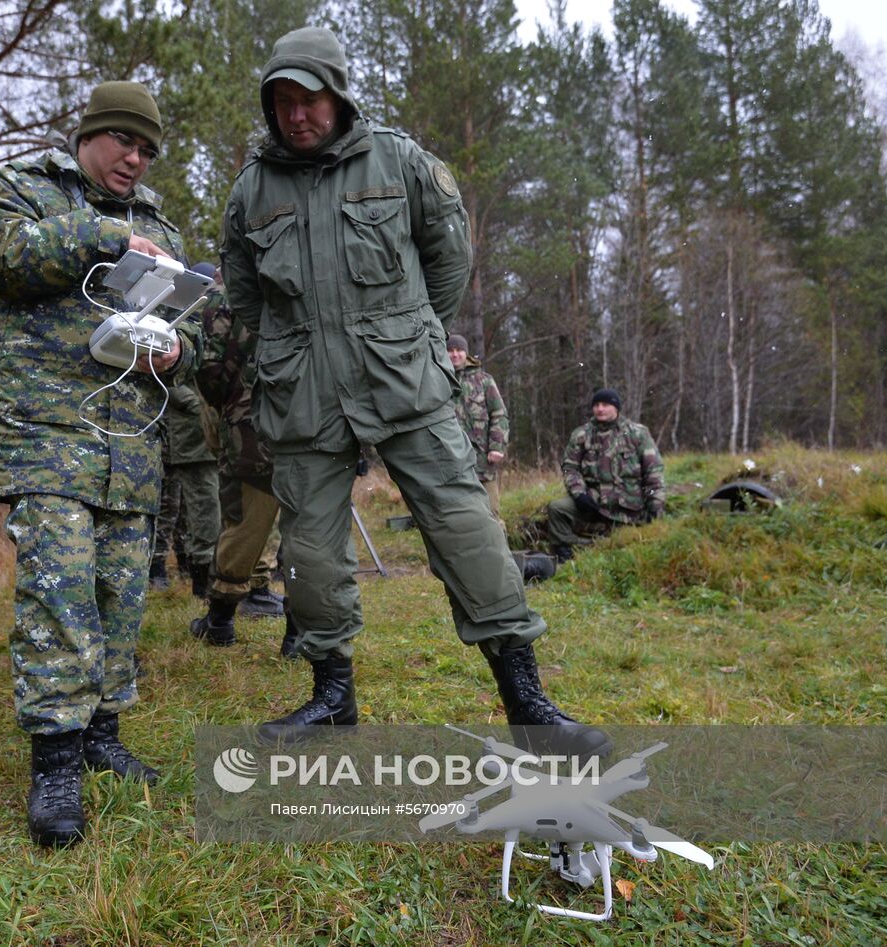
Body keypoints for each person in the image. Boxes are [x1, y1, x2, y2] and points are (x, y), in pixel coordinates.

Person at [221, 28, 609, 758]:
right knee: (310, 548)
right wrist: (296, 348)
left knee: (465, 528)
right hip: (302, 392)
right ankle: (332, 697)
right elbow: (246, 296)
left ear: (336, 94)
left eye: (308, 99)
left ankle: (527, 700)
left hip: (405, 379)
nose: (295, 115)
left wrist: (402, 333)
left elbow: (447, 259)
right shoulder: (251, 190)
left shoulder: (399, 162)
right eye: (281, 102)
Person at [0, 81, 199, 847]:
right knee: (59, 596)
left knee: (119, 596)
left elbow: (182, 333)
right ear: (90, 136)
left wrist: (175, 350)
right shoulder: (20, 188)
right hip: (47, 432)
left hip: (131, 444)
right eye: (124, 142)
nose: (135, 159)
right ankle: (56, 761)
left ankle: (102, 732)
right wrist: (103, 236)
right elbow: (2, 258)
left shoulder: (158, 224)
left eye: (147, 149)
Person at [190, 264, 290, 651]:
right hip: (312, 420)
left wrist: (230, 403)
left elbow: (209, 366)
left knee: (244, 522)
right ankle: (299, 633)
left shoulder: (226, 291)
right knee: (308, 525)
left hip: (251, 426)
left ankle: (220, 620)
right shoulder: (309, 275)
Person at [150, 278, 221, 597]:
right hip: (186, 438)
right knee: (178, 508)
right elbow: (166, 374)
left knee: (205, 508)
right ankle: (187, 573)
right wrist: (200, 405)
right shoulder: (177, 319)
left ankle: (199, 570)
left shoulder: (214, 322)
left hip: (206, 435)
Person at [546, 388, 665, 561]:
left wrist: (655, 506)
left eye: (605, 405)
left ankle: (614, 544)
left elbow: (654, 472)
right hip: (594, 502)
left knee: (643, 540)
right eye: (596, 405)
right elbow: (569, 468)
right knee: (557, 508)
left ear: (616, 408)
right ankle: (567, 552)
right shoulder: (582, 434)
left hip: (629, 504)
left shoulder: (637, 433)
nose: (600, 409)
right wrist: (579, 494)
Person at [447, 334, 508, 519]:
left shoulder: (484, 381)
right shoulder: (438, 381)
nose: (455, 355)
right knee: (459, 518)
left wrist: (497, 447)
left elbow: (499, 414)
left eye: (459, 350)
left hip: (482, 461)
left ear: (466, 353)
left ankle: (500, 549)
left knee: (491, 514)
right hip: (451, 463)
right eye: (450, 350)